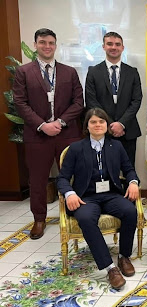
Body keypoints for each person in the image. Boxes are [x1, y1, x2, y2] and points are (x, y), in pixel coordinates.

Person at [56, 108, 140, 290]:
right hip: (86, 197)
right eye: (93, 122)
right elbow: (62, 178)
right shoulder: (76, 148)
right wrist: (70, 194)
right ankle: (110, 268)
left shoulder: (116, 146)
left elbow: (129, 169)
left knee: (130, 211)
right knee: (86, 218)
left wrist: (133, 182)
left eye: (101, 121)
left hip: (111, 194)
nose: (98, 125)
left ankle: (124, 256)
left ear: (106, 125)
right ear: (87, 126)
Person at [13, 28, 84, 240]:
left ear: (55, 45)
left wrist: (60, 122)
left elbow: (78, 102)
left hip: (67, 133)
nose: (47, 46)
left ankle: (76, 214)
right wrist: (43, 125)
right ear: (35, 44)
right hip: (38, 135)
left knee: (74, 175)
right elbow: (20, 103)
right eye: (42, 42)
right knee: (37, 179)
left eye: (51, 42)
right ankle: (39, 219)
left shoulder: (69, 72)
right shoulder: (24, 72)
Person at [85, 31, 142, 167]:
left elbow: (136, 100)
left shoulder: (132, 72)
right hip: (102, 130)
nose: (113, 47)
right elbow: (91, 101)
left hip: (127, 130)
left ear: (122, 47)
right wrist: (111, 125)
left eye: (117, 44)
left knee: (128, 168)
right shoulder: (93, 71)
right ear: (103, 46)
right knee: (104, 169)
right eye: (109, 44)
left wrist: (121, 124)